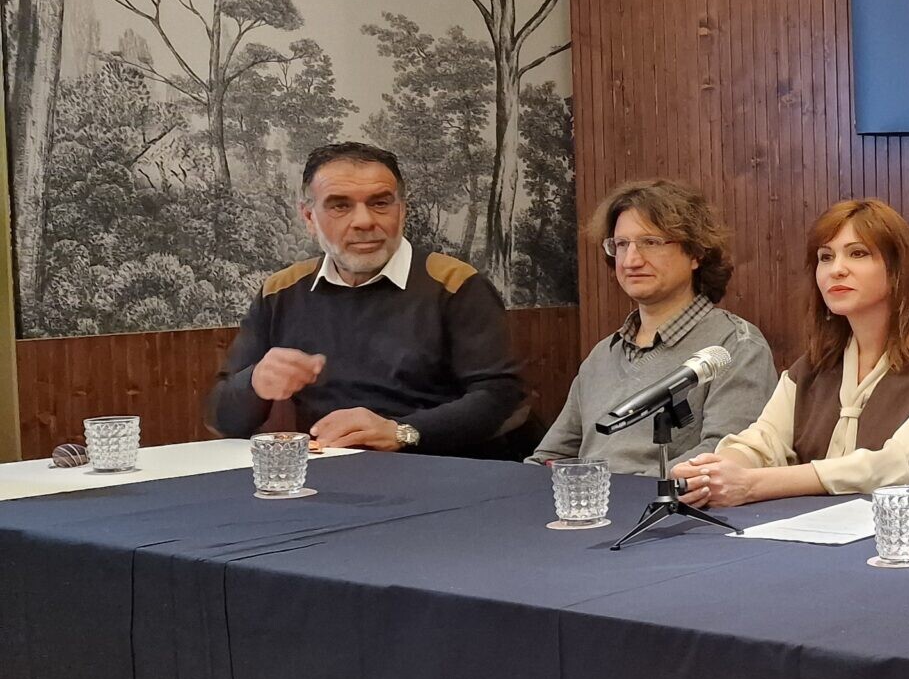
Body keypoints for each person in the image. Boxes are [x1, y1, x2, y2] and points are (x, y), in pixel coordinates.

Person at [206, 141, 526, 455]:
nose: (364, 221)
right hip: (330, 469)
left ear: (402, 211)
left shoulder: (456, 285)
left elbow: (502, 398)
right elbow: (222, 418)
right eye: (340, 206)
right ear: (309, 218)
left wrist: (402, 432)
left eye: (380, 203)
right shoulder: (281, 291)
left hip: (442, 467)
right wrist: (255, 383)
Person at [668, 199, 909, 505]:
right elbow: (763, 442)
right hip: (817, 532)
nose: (836, 269)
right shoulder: (814, 366)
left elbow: (893, 467)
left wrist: (751, 485)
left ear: (898, 270)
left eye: (858, 254)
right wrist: (712, 471)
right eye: (825, 257)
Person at [529, 179, 777, 474]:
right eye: (621, 245)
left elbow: (725, 455)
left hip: (668, 502)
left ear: (696, 253)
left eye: (651, 242)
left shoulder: (735, 346)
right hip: (589, 500)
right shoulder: (602, 356)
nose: (631, 260)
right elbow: (550, 456)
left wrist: (620, 489)